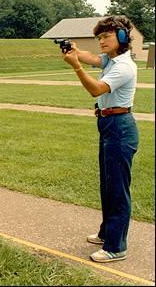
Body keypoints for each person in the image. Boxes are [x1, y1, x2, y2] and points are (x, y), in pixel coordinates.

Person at [61, 15, 139, 263]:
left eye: (106, 36)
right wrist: (75, 51)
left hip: (120, 126)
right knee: (108, 184)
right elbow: (92, 57)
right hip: (108, 123)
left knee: (117, 189)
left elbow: (96, 89)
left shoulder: (124, 66)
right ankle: (108, 233)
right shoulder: (110, 60)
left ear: (123, 37)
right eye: (99, 37)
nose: (101, 41)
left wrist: (75, 66)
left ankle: (116, 247)